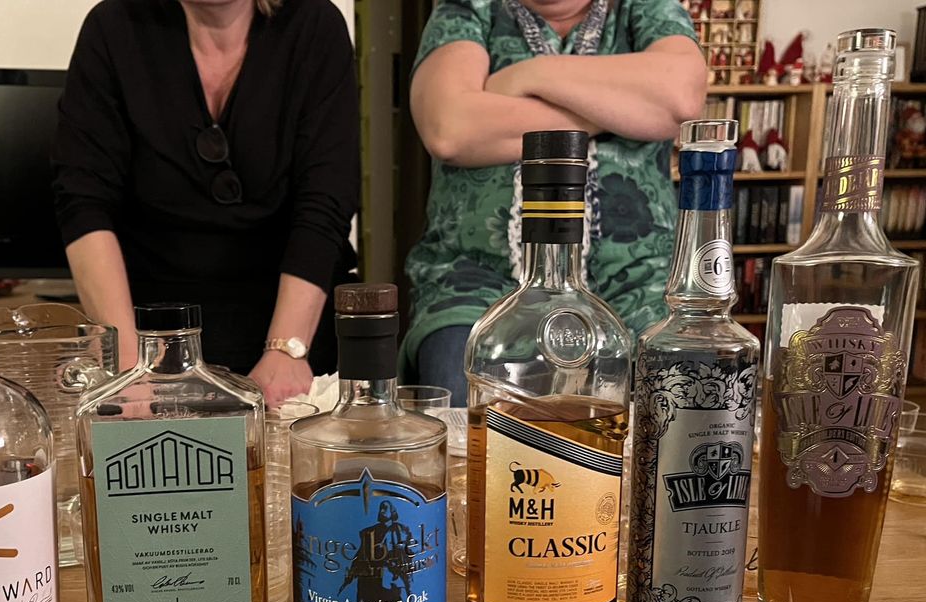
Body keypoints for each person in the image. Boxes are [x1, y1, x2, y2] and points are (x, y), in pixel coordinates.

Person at [52, 0, 358, 406]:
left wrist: (287, 350)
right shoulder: (112, 26)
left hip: (292, 327)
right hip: (147, 333)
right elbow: (83, 200)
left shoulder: (315, 25)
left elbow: (325, 202)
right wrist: (128, 364)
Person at [404, 0, 707, 405]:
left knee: (690, 399)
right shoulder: (469, 7)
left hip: (640, 281)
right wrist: (618, 113)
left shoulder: (644, 6)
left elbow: (680, 97)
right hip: (477, 282)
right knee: (459, 392)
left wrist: (525, 75)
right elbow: (450, 129)